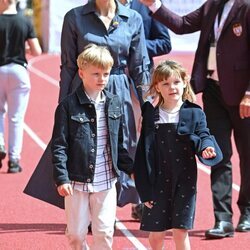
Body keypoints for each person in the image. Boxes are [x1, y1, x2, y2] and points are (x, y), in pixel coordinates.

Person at [140, 0, 250, 238]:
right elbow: (181, 24)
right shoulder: (212, 5)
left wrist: (249, 94)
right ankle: (223, 219)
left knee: (248, 154)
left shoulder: (247, 6)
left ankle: (248, 211)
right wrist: (154, 5)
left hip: (243, 95)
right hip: (213, 91)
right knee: (217, 153)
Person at [51, 43, 134, 250]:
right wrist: (61, 178)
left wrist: (132, 170)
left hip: (106, 180)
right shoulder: (67, 106)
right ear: (81, 73)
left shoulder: (114, 103)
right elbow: (59, 145)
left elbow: (119, 144)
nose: (102, 79)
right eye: (96, 74)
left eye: (106, 74)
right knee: (76, 235)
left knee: (105, 233)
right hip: (77, 181)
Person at [134, 60, 223, 250]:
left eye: (176, 82)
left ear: (184, 82)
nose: (171, 87)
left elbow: (204, 135)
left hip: (185, 180)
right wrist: (144, 190)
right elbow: (143, 153)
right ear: (157, 87)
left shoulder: (194, 112)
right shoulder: (150, 114)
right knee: (156, 234)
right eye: (165, 83)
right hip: (157, 180)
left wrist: (206, 147)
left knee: (180, 231)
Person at [118, 0, 172, 220]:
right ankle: (107, 201)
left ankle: (141, 199)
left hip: (141, 83)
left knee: (142, 143)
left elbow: (164, 43)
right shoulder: (102, 6)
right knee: (112, 139)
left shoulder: (147, 6)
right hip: (110, 81)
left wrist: (136, 45)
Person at [0, 0, 42, 173]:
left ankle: (0, 143)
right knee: (16, 118)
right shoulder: (25, 21)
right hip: (18, 71)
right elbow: (37, 51)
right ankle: (14, 160)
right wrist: (22, 46)